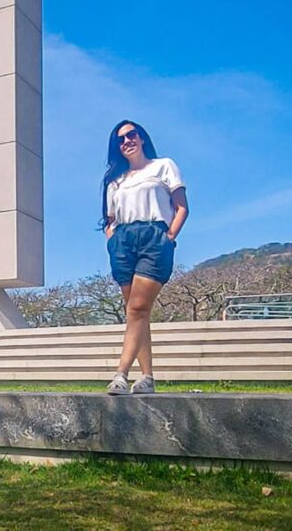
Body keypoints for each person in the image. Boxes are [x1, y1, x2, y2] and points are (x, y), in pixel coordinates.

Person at [101, 120, 189, 395]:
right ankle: (147, 377)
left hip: (154, 237)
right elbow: (110, 219)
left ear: (142, 138)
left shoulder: (163, 166)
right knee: (136, 313)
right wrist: (113, 239)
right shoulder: (115, 182)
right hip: (123, 241)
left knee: (137, 309)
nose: (127, 141)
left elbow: (182, 207)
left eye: (131, 135)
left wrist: (169, 236)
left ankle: (121, 374)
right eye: (121, 139)